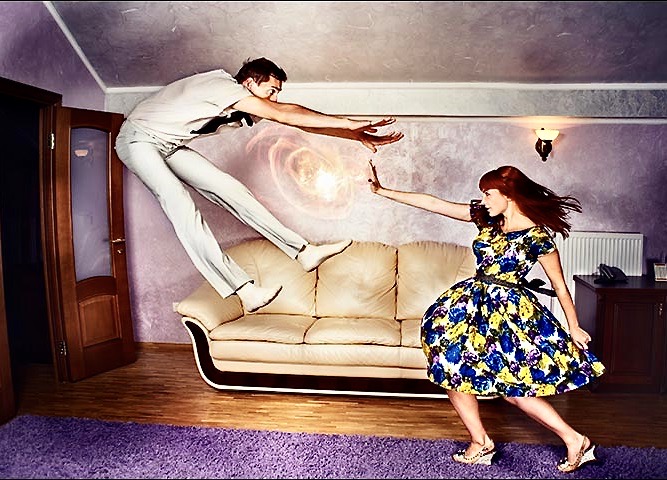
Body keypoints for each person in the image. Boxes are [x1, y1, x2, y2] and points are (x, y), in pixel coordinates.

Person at [367, 161, 605, 473]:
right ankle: (480, 442)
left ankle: (575, 440)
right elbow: (434, 203)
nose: (484, 200)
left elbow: (560, 286)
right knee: (450, 366)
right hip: (471, 305)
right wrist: (383, 191)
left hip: (508, 316)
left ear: (509, 195)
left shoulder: (537, 238)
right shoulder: (486, 218)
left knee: (514, 391)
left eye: (489, 194)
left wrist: (574, 326)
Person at [114, 57, 403, 313]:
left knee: (230, 188)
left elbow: (298, 121)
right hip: (138, 138)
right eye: (272, 90)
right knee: (179, 202)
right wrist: (347, 122)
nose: (274, 98)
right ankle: (244, 290)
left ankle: (303, 252)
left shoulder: (242, 107)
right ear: (250, 83)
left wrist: (354, 135)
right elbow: (284, 112)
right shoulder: (223, 87)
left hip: (169, 145)